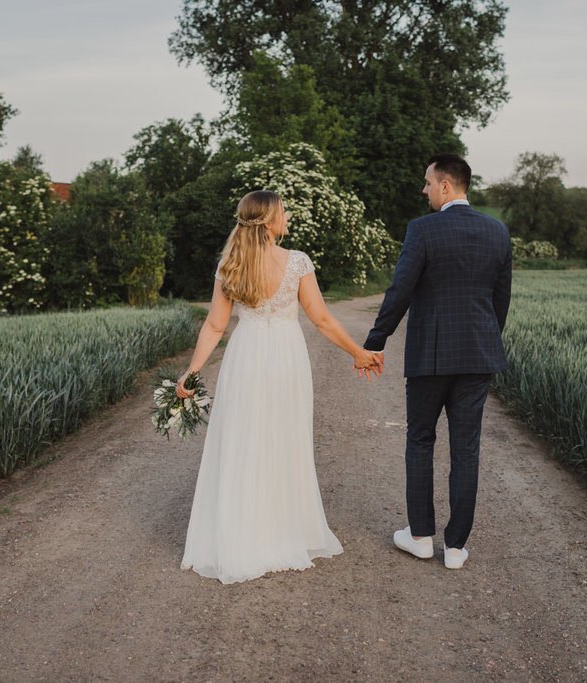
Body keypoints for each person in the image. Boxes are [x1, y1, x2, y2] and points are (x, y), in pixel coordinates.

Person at [176, 189, 381, 584]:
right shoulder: (297, 262)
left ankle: (240, 535)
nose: (286, 217)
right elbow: (321, 320)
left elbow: (216, 325)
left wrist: (193, 370)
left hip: (246, 357)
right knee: (284, 439)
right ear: (270, 221)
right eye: (283, 212)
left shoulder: (229, 265)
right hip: (286, 358)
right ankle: (285, 530)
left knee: (243, 440)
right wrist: (357, 351)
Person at [363, 154, 512, 570]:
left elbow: (400, 291)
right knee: (466, 449)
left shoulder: (422, 230)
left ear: (446, 185)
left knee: (420, 440)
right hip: (477, 357)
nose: (423, 189)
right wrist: (483, 341)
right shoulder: (497, 231)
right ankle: (457, 548)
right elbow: (501, 300)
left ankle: (421, 537)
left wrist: (376, 341)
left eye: (427, 182)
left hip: (429, 357)